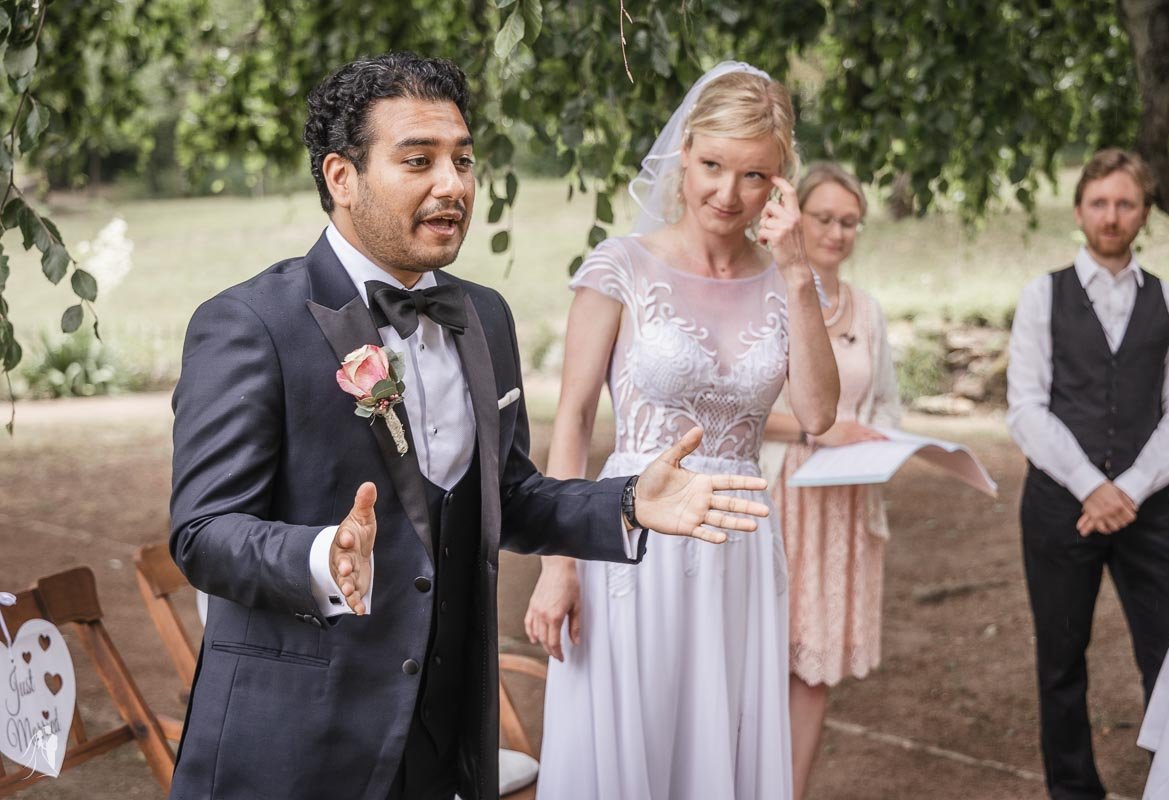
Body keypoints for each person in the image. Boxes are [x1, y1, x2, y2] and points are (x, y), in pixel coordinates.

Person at [167, 53, 773, 800]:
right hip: (297, 747)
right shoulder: (250, 323)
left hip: (445, 741)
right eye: (418, 160)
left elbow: (507, 497)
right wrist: (321, 555)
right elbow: (202, 533)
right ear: (341, 177)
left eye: (463, 160)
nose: (453, 185)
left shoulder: (483, 315)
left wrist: (622, 504)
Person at [524, 63, 840, 799]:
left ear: (780, 181)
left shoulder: (786, 279)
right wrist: (558, 563)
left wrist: (796, 275)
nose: (728, 195)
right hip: (632, 540)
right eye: (712, 166)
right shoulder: (620, 267)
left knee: (721, 747)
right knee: (635, 747)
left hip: (741, 548)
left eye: (755, 176)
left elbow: (819, 413)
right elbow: (571, 419)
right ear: (684, 152)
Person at [1006, 148, 1169, 800]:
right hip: (1062, 506)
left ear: (1144, 213)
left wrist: (1130, 491)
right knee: (1061, 663)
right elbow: (1026, 408)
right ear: (1080, 208)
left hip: (1148, 508)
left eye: (1125, 203)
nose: (1111, 216)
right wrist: (1092, 486)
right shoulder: (1042, 295)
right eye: (1099, 202)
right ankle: (1073, 791)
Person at [764, 162, 901, 797]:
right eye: (825, 218)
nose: (838, 232)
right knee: (759, 657)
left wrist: (881, 443)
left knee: (812, 671)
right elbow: (735, 409)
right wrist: (818, 432)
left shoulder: (866, 309)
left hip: (843, 504)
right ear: (796, 217)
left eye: (850, 222)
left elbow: (884, 409)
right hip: (776, 494)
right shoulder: (763, 293)